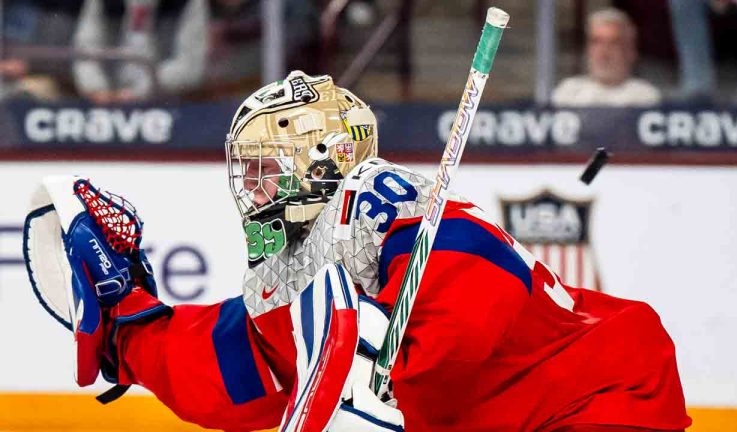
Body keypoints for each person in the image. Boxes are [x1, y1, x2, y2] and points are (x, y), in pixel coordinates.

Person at [25, 71, 691, 431]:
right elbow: (239, 366)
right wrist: (131, 328)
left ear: (323, 161)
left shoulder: (383, 200)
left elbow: (471, 292)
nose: (251, 187)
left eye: (265, 167)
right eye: (247, 169)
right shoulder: (292, 266)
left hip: (601, 393)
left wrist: (389, 383)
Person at [72, 0, 209, 104]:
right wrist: (97, 89)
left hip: (166, 103)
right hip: (106, 101)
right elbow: (85, 51)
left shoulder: (189, 3)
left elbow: (189, 67)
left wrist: (139, 92)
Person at [552, 8, 661, 107]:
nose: (603, 52)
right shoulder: (567, 94)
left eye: (613, 43)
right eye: (596, 42)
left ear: (631, 52)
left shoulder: (646, 98)